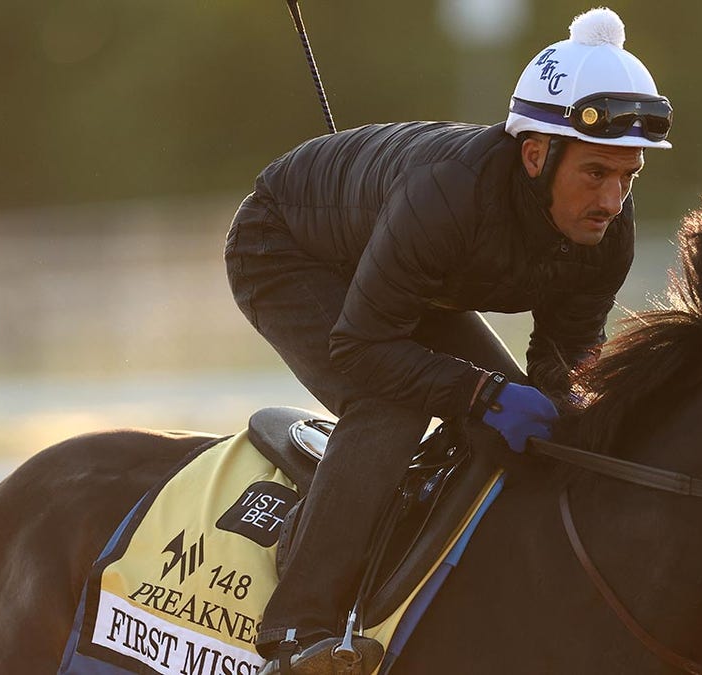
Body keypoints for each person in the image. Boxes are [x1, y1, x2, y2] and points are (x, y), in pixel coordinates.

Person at [224, 7, 673, 674]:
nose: (611, 200)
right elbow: (361, 349)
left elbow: (562, 365)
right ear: (535, 155)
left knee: (541, 430)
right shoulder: (451, 195)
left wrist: (564, 405)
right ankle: (296, 632)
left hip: (415, 280)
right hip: (287, 247)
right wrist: (481, 391)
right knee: (389, 402)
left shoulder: (606, 234)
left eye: (627, 177)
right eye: (595, 174)